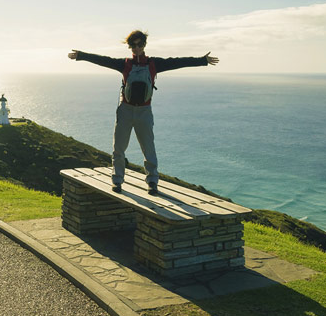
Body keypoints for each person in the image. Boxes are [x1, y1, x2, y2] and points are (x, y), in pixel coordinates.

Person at [68, 30, 218, 195]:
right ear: (130, 46)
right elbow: (103, 60)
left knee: (148, 148)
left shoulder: (154, 64)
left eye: (139, 44)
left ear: (144, 45)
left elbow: (178, 62)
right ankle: (117, 181)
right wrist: (81, 55)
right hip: (125, 109)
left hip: (144, 111)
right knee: (119, 148)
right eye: (133, 45)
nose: (136, 48)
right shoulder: (124, 63)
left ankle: (152, 182)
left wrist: (202, 60)